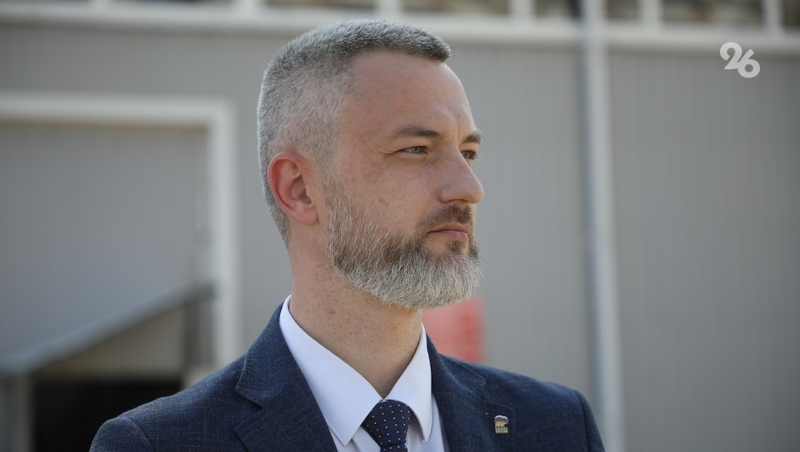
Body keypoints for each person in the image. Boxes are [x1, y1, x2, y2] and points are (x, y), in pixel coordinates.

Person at [91, 19, 604, 452]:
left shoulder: (555, 427)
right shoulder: (159, 443)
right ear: (299, 189)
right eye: (416, 150)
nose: (470, 188)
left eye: (467, 153)